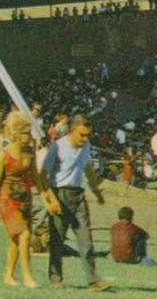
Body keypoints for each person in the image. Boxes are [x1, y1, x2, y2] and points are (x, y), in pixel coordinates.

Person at [41, 114, 110, 291]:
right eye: (82, 135)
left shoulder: (85, 146)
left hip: (79, 195)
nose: (85, 139)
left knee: (86, 239)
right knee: (57, 240)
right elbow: (42, 175)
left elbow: (87, 168)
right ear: (72, 131)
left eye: (87, 135)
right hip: (59, 194)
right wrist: (51, 199)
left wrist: (97, 191)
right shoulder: (57, 147)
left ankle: (93, 281)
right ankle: (55, 278)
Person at [0, 111, 58, 288]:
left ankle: (8, 276)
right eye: (25, 132)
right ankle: (28, 277)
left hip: (24, 198)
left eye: (29, 132)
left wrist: (46, 202)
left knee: (15, 240)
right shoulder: (4, 155)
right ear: (15, 134)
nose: (29, 136)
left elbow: (36, 178)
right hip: (7, 199)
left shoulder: (30, 152)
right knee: (25, 236)